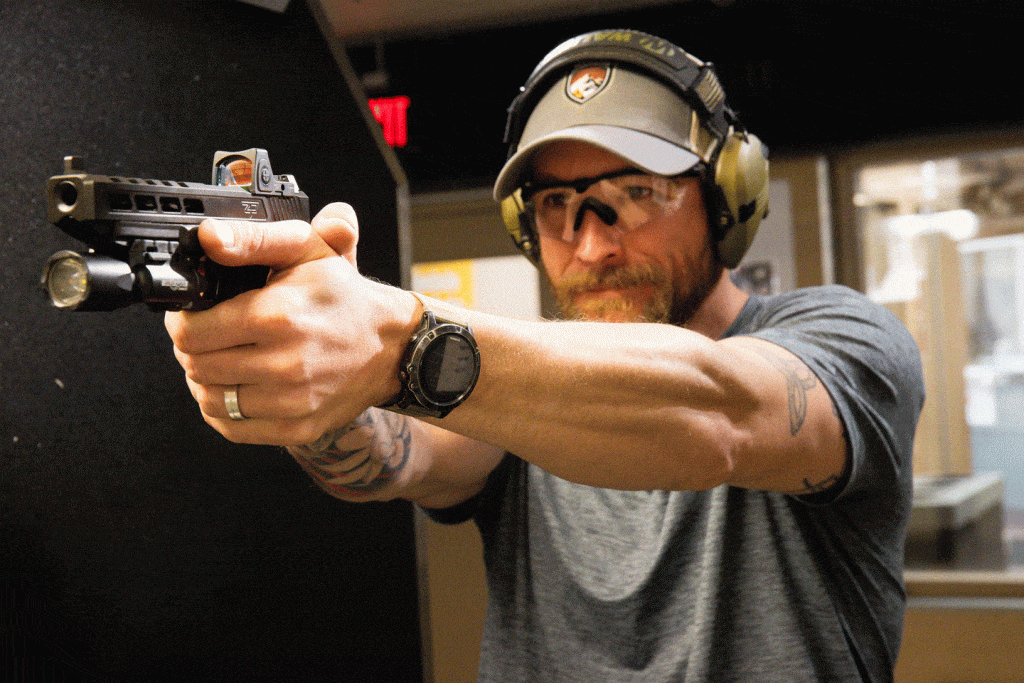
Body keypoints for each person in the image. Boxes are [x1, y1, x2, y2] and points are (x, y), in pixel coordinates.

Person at [165, 29, 924, 682]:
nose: (591, 244)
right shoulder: (510, 386)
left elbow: (722, 413)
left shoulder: (845, 339)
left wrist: (398, 339)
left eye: (634, 192)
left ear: (726, 196)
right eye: (555, 207)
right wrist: (303, 366)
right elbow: (395, 456)